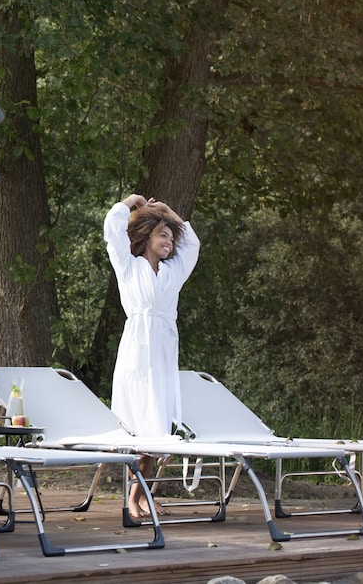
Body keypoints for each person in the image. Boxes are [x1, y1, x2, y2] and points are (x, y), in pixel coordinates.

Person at [104, 193, 200, 519]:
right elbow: (112, 228)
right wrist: (133, 201)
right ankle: (134, 498)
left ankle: (144, 495)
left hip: (163, 353)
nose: (169, 243)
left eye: (171, 238)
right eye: (163, 235)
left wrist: (168, 213)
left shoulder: (173, 273)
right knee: (137, 427)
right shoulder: (128, 267)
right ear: (147, 237)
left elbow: (192, 245)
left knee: (158, 427)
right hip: (136, 353)